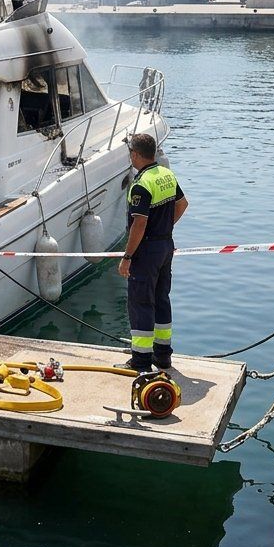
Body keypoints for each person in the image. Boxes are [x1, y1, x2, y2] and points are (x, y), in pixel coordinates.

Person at [116, 133, 188, 372]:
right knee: (161, 298)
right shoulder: (166, 175)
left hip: (146, 250)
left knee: (141, 302)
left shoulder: (141, 184)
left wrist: (127, 257)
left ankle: (141, 359)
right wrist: (165, 228)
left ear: (135, 154)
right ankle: (163, 355)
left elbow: (139, 224)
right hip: (165, 245)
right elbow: (182, 204)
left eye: (130, 153)